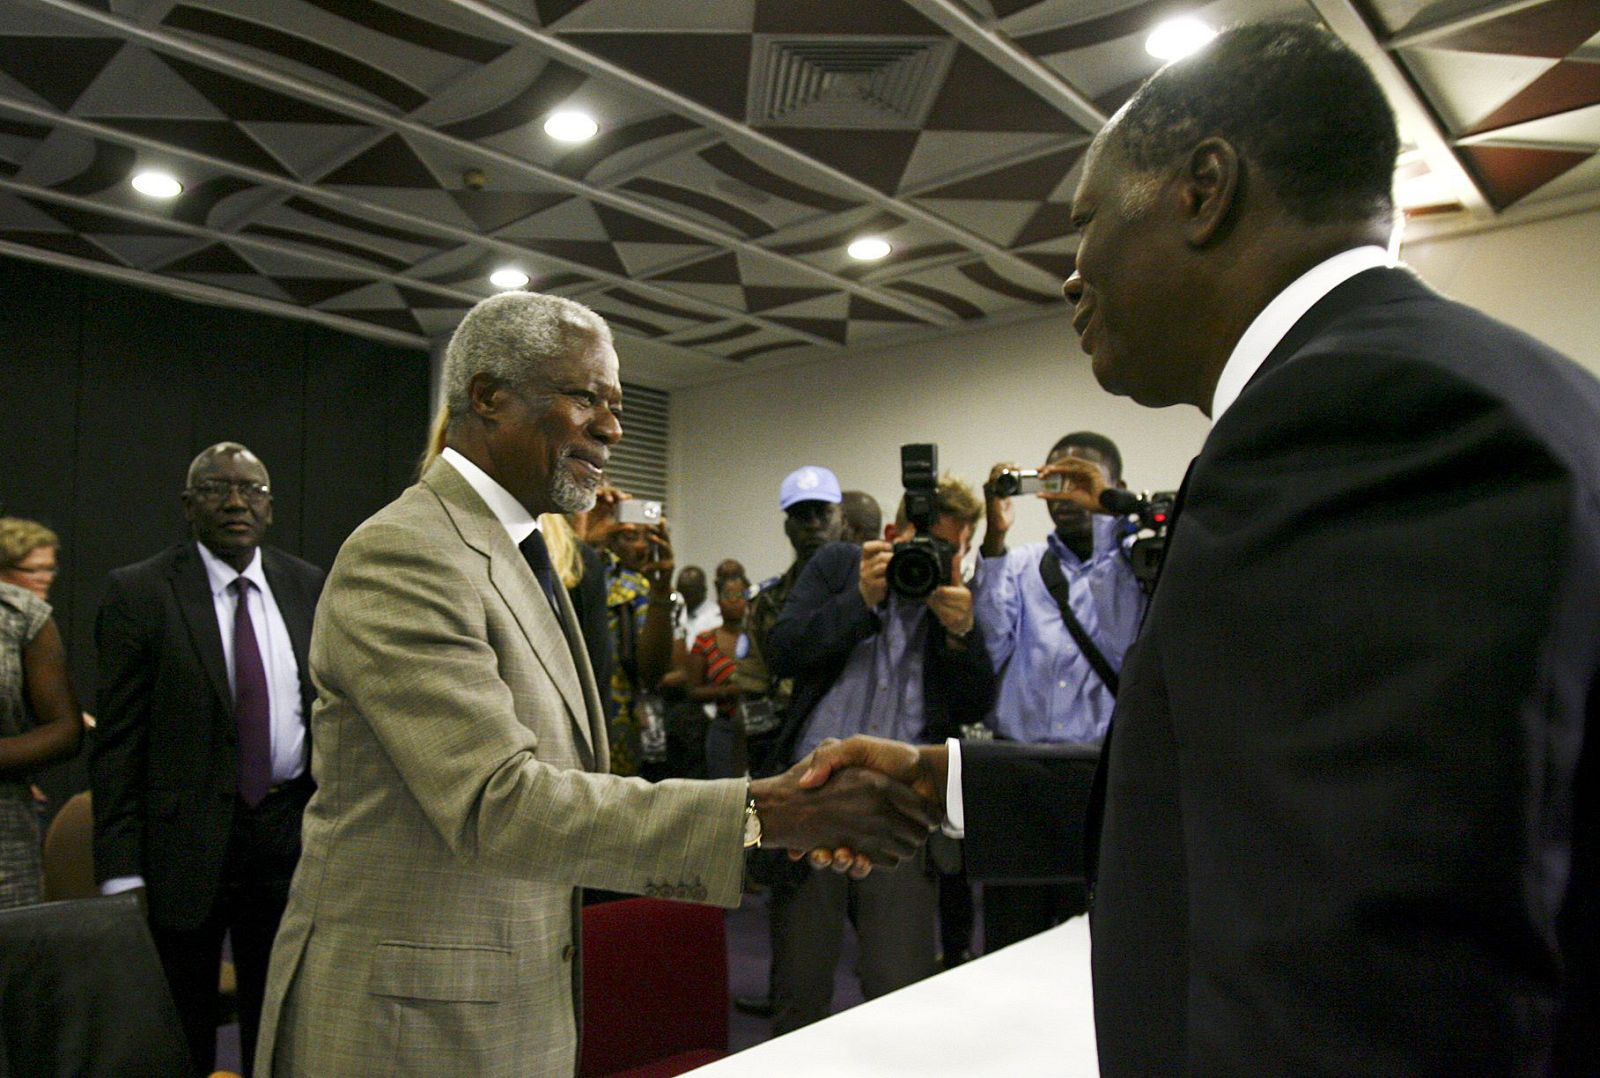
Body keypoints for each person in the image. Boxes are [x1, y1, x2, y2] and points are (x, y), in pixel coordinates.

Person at [804, 22, 1600, 1075]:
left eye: (1085, 223)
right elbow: (1252, 787)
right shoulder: (1479, 382)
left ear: (1202, 189)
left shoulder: (1353, 414)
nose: (1070, 274)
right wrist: (948, 782)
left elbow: (1367, 959)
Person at [254, 291, 937, 1076]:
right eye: (587, 398)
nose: (613, 428)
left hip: (505, 1000)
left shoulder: (524, 551)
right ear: (487, 397)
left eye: (614, 403)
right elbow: (499, 804)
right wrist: (769, 813)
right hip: (408, 1025)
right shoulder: (407, 553)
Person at [92, 443, 324, 1076]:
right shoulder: (139, 592)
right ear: (188, 505)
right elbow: (116, 745)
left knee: (281, 1013)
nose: (234, 502)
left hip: (286, 835)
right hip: (182, 844)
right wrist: (119, 869)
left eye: (251, 490)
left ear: (270, 508)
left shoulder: (307, 585)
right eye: (217, 488)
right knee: (183, 1023)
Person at [764, 475, 994, 1035]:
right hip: (812, 793)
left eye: (948, 549)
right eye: (922, 544)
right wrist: (860, 601)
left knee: (900, 982)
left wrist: (962, 631)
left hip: (900, 805)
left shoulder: (959, 597)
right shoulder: (840, 567)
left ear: (963, 550)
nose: (930, 559)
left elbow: (978, 702)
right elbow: (783, 651)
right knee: (801, 983)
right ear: (892, 533)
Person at [972, 433, 1144, 950]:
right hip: (1018, 773)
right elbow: (991, 649)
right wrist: (995, 540)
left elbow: (1124, 646)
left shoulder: (1140, 564)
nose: (1067, 495)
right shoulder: (1020, 564)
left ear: (1116, 489)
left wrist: (1109, 533)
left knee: (1093, 942)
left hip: (1099, 777)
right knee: (1009, 941)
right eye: (1055, 480)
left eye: (1082, 481)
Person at [0, 519, 81, 909]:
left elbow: (64, 729)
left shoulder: (22, 617)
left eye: (50, 568)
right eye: (34, 569)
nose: (45, 578)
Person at [690, 571, 748, 779]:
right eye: (727, 597)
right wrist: (727, 691)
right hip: (724, 728)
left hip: (757, 728)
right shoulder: (705, 639)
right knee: (725, 793)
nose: (734, 602)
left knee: (756, 796)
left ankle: (750, 814)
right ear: (719, 602)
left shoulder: (758, 636)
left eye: (739, 596)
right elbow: (693, 691)